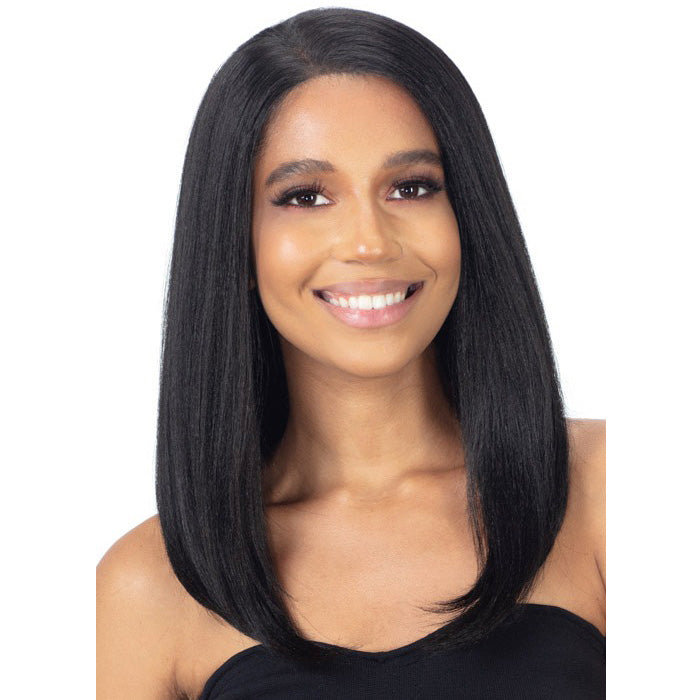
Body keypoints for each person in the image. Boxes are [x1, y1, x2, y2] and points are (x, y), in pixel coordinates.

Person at [96, 7, 605, 699]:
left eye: (411, 187)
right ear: (236, 242)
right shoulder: (145, 589)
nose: (369, 241)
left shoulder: (609, 491)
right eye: (305, 196)